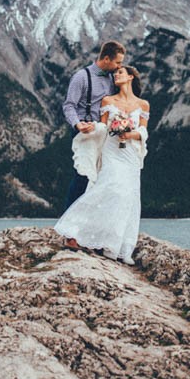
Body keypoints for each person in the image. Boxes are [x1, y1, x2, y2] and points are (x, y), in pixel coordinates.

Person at [55, 65, 150, 265]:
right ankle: (75, 229)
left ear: (131, 77)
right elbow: (104, 125)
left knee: (129, 195)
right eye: (115, 73)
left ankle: (119, 247)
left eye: (120, 73)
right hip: (112, 150)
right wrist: (92, 127)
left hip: (131, 153)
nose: (116, 75)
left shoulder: (143, 104)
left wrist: (129, 133)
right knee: (110, 187)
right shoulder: (108, 101)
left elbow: (144, 131)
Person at [62, 40, 126, 209]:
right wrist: (77, 125)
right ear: (106, 59)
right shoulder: (81, 77)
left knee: (103, 176)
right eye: (118, 62)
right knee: (83, 176)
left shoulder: (114, 77)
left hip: (107, 133)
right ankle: (68, 224)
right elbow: (69, 105)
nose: (120, 66)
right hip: (87, 132)